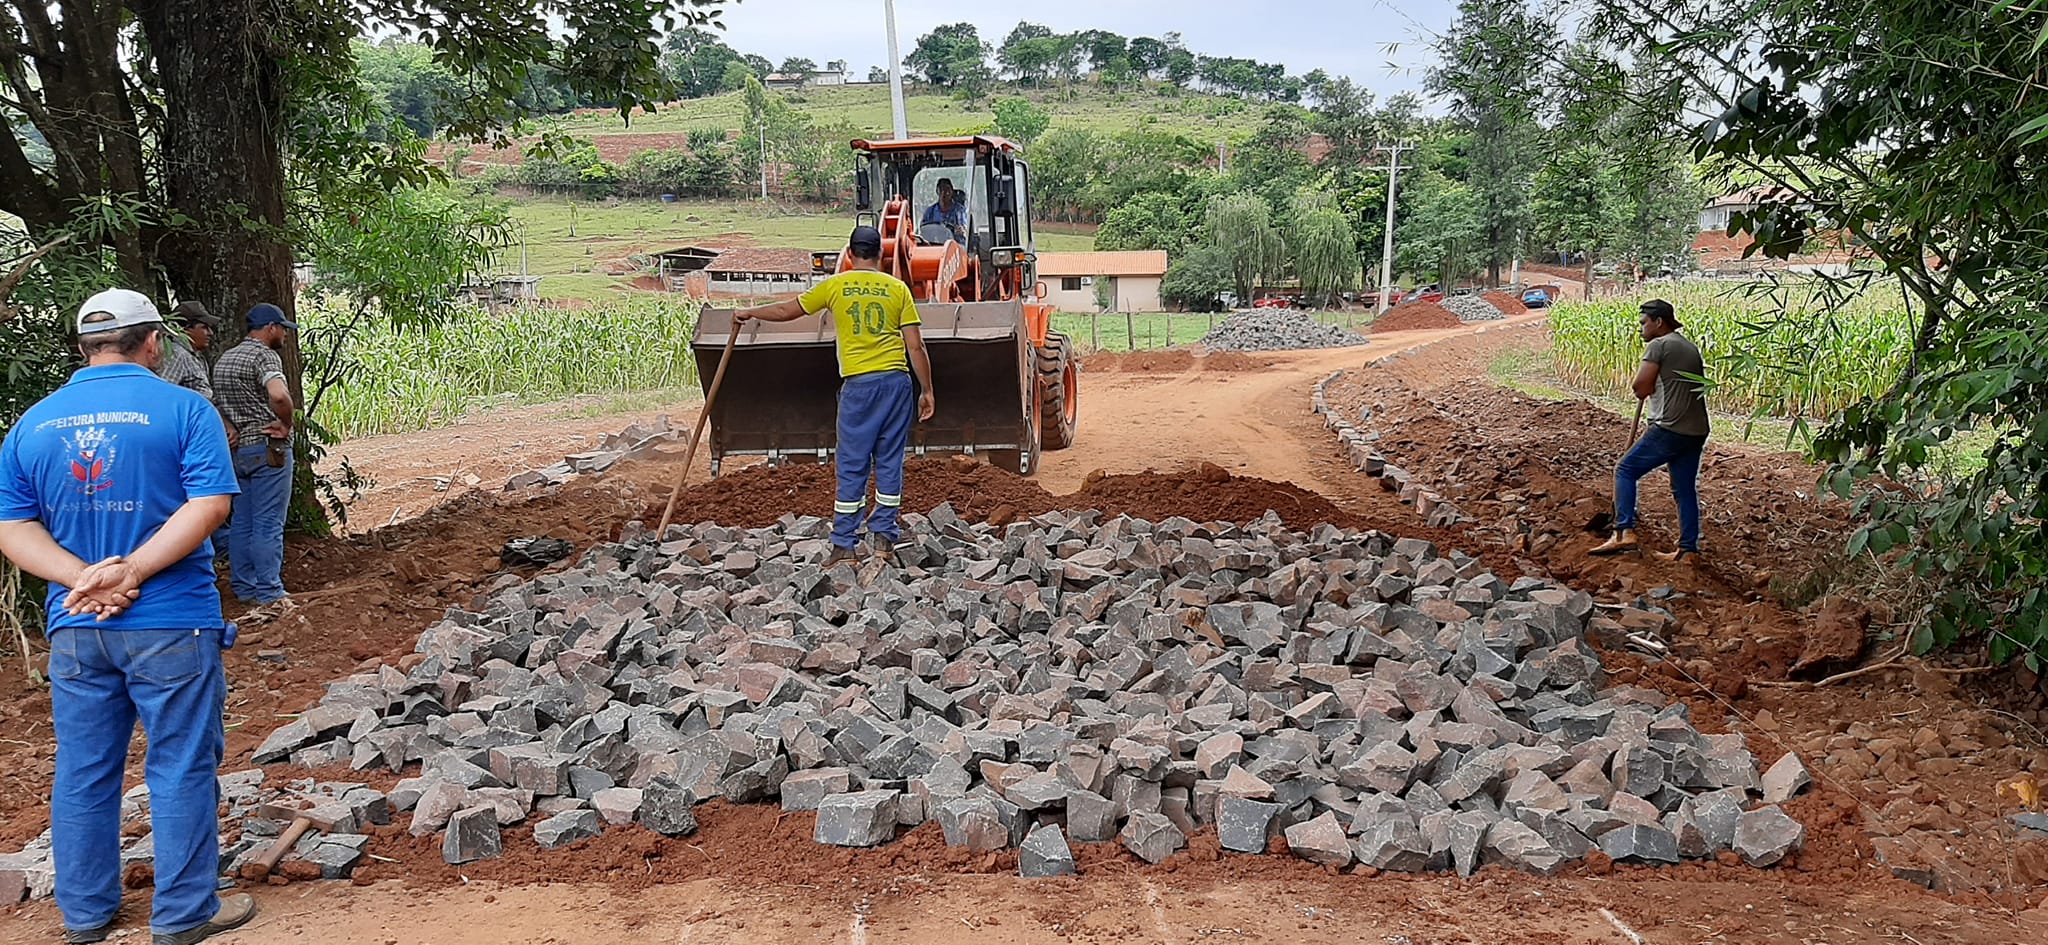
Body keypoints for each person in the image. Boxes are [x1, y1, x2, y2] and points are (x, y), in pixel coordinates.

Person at [0, 289, 255, 945]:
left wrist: (80, 577)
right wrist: (132, 571)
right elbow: (209, 507)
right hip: (172, 619)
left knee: (84, 768)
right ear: (153, 343)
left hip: (77, 626)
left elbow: (12, 525)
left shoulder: (32, 424)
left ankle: (85, 915)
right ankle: (182, 914)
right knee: (177, 763)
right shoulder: (184, 409)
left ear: (85, 348)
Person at [734, 225, 935, 565]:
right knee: (889, 461)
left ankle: (844, 546)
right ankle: (883, 540)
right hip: (896, 382)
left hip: (859, 387)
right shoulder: (898, 289)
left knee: (853, 464)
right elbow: (915, 344)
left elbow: (788, 311)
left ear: (851, 254)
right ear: (882, 254)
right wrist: (927, 390)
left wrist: (751, 312)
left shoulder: (835, 286)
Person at [1591, 298, 1711, 561]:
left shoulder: (1659, 345)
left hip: (1670, 427)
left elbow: (1640, 387)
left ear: (1659, 322)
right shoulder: (1688, 347)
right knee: (1684, 489)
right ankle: (1688, 549)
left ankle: (1623, 532)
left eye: (1644, 323)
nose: (1641, 328)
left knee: (1625, 469)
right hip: (1696, 429)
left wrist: (1646, 388)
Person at [211, 302, 297, 603]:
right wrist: (286, 422)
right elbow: (278, 394)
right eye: (282, 329)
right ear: (271, 328)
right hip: (268, 446)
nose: (284, 335)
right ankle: (270, 591)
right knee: (268, 523)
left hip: (238, 452)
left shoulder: (224, 360)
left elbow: (213, 402)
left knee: (242, 524)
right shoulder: (264, 356)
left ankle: (244, 587)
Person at [151, 302, 221, 402]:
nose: (210, 333)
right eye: (204, 327)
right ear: (186, 329)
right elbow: (161, 394)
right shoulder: (176, 355)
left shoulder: (195, 355)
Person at [921, 178, 968, 244]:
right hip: (935, 246)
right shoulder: (930, 212)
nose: (944, 193)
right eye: (941, 190)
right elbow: (923, 231)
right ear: (937, 191)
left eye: (947, 190)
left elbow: (966, 230)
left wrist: (961, 230)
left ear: (951, 192)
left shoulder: (960, 211)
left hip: (957, 247)